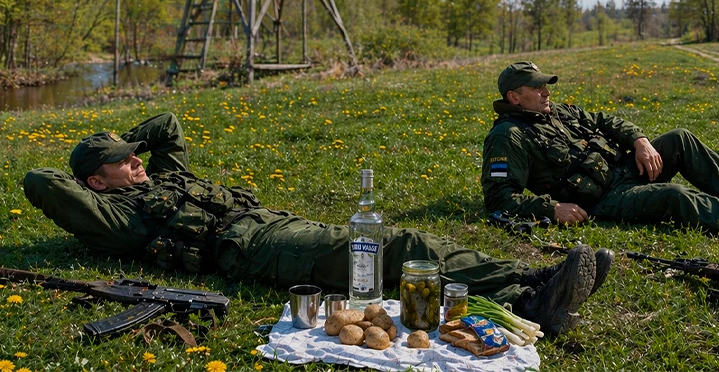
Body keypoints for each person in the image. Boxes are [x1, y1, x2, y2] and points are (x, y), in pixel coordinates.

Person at [22, 112, 610, 336]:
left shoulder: (157, 178)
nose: (137, 162)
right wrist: (94, 167)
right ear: (95, 183)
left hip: (273, 225)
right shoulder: (112, 218)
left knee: (384, 254)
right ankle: (531, 288)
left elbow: (169, 124)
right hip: (254, 249)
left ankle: (530, 293)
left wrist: (124, 143)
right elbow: (42, 181)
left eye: (134, 154)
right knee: (393, 245)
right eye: (121, 162)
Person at [481, 62, 719, 243]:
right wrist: (552, 208)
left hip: (625, 166)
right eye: (536, 87)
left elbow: (605, 120)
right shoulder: (507, 137)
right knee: (675, 196)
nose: (545, 91)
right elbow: (498, 199)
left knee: (679, 138)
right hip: (605, 197)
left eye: (545, 84)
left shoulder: (557, 111)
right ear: (513, 97)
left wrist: (640, 140)